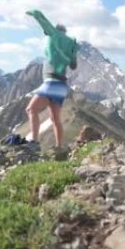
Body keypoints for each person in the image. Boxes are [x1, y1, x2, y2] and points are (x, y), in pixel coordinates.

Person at [25, 9, 78, 149]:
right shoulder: (69, 47)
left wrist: (36, 15)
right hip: (61, 87)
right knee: (55, 119)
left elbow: (45, 25)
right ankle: (59, 148)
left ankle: (34, 143)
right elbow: (73, 65)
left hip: (51, 83)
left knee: (31, 109)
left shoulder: (53, 37)